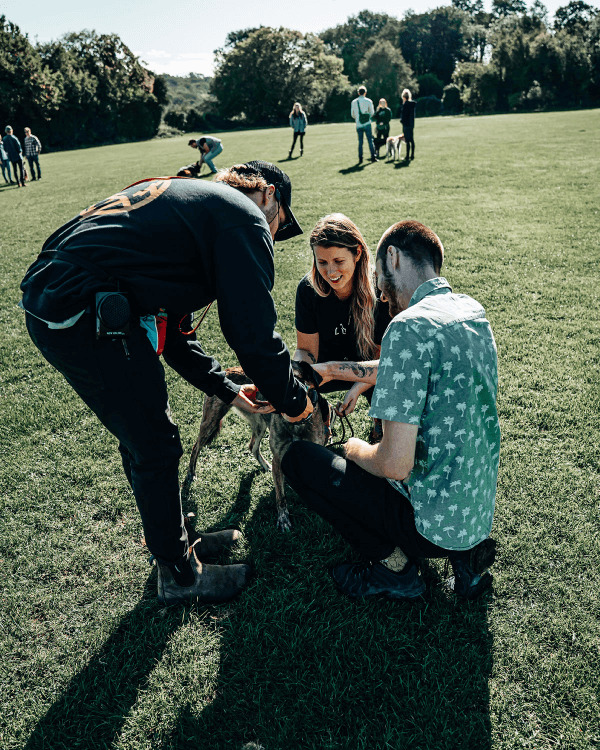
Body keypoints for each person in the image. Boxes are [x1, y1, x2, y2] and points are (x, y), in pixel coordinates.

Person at [20, 160, 314, 606]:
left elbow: (174, 333)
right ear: (270, 194)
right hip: (84, 304)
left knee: (141, 434)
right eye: (281, 224)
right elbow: (252, 336)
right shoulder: (243, 216)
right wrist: (297, 404)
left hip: (61, 290)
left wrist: (228, 388)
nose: (274, 235)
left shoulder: (192, 203)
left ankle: (175, 543)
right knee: (154, 442)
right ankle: (179, 575)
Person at [283, 220, 500, 601]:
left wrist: (351, 447)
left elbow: (394, 464)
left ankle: (397, 569)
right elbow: (403, 366)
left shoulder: (406, 326)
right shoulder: (472, 312)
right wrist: (332, 371)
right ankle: (464, 557)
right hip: (474, 515)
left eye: (381, 278)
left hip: (425, 526)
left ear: (393, 258)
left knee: (300, 459)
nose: (382, 295)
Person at [294, 213, 391, 439]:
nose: (331, 272)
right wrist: (301, 379)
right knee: (296, 391)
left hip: (368, 370)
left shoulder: (380, 289)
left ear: (357, 253)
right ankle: (321, 415)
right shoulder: (308, 290)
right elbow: (306, 351)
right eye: (322, 262)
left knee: (392, 381)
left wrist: (356, 390)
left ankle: (380, 418)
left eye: (339, 261)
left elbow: (383, 359)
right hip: (325, 371)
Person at [350, 86, 377, 164]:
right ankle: (373, 157)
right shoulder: (369, 101)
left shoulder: (354, 102)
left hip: (358, 124)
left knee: (360, 142)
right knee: (370, 141)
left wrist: (358, 118)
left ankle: (360, 158)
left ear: (358, 93)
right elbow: (372, 113)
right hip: (367, 123)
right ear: (365, 92)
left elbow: (352, 114)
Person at [400, 89, 416, 161]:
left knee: (407, 140)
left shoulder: (405, 105)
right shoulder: (412, 105)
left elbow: (403, 116)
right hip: (411, 124)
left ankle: (407, 155)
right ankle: (412, 155)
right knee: (411, 139)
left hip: (406, 124)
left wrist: (402, 121)